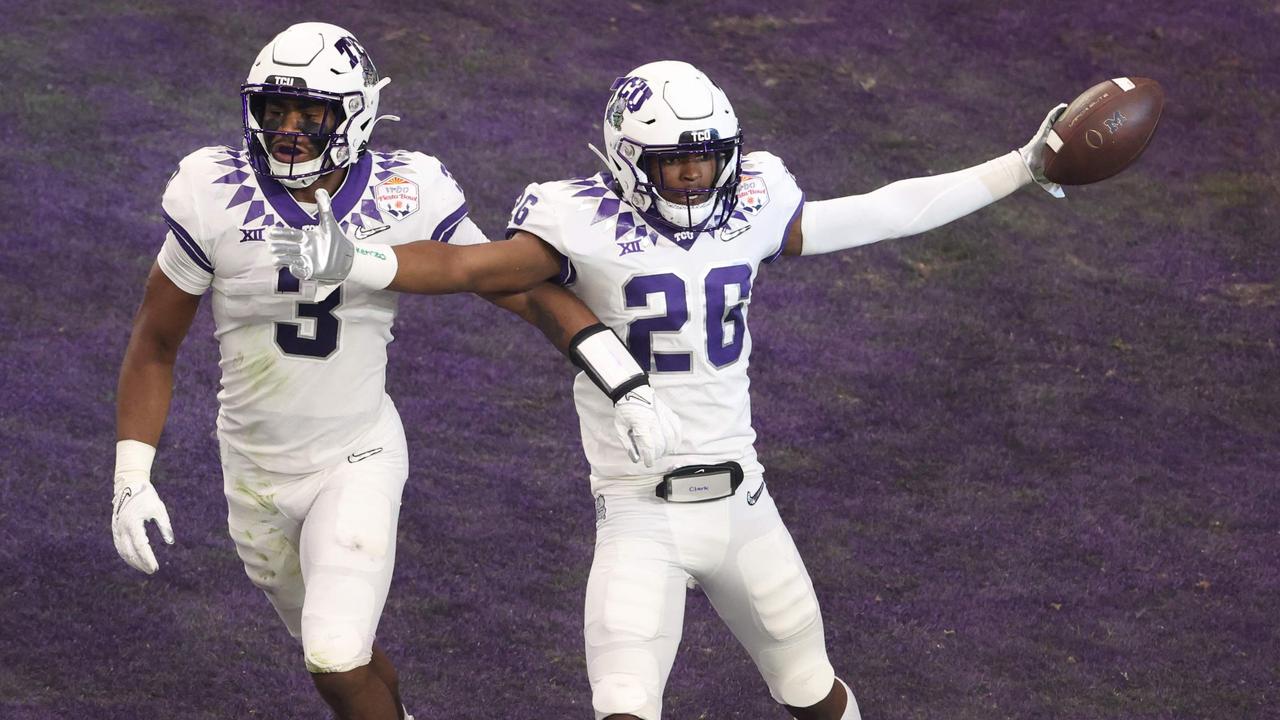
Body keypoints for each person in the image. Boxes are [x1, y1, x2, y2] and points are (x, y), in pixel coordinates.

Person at [269, 60, 1068, 720]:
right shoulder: (575, 219)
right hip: (639, 510)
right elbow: (472, 267)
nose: (693, 176)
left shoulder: (753, 202)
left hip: (744, 505)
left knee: (813, 693)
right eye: (672, 161)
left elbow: (884, 212)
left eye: (706, 157)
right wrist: (361, 262)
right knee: (623, 705)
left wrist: (1019, 167)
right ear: (624, 159)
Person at [111, 25, 679, 720]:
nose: (288, 129)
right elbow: (155, 343)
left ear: (353, 114)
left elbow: (515, 285)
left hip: (356, 452)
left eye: (310, 113)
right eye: (274, 110)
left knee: (334, 648)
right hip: (252, 471)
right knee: (341, 662)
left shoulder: (410, 189)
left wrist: (619, 376)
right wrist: (130, 477)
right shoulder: (211, 188)